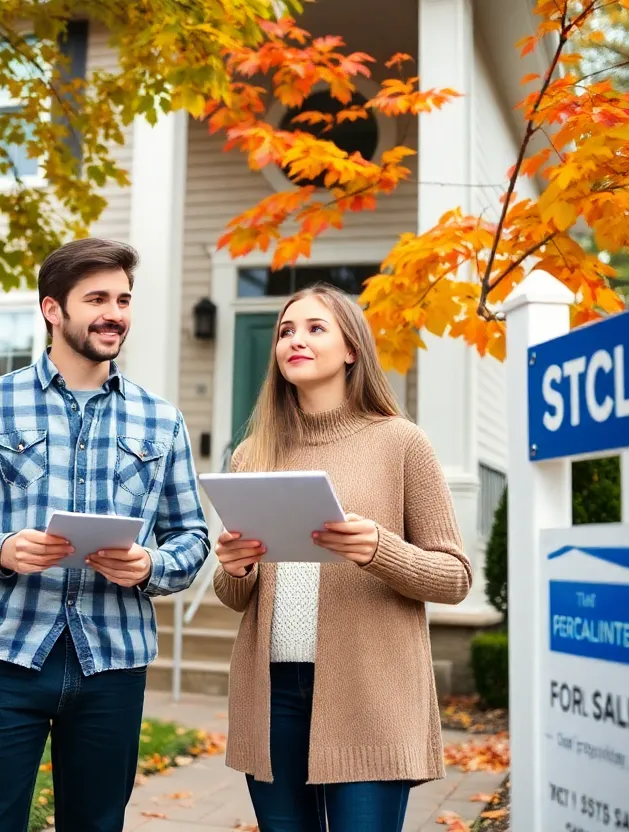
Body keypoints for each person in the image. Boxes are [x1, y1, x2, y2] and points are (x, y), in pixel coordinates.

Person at [0, 237, 210, 832]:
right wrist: (1, 550)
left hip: (114, 663)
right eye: (98, 297)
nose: (115, 313)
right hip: (7, 657)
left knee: (97, 825)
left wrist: (151, 567)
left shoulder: (161, 419)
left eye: (124, 299)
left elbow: (192, 538)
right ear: (54, 309)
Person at [212, 283, 471, 832]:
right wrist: (235, 566)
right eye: (285, 331)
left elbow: (455, 577)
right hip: (272, 693)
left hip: (369, 696)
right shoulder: (251, 454)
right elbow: (236, 597)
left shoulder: (401, 443)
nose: (294, 341)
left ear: (352, 348)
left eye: (314, 328)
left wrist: (381, 550)